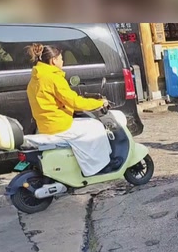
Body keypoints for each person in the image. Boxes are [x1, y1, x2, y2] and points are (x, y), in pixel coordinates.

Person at [22, 43, 112, 176]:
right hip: (60, 125)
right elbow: (74, 102)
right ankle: (99, 167)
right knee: (96, 127)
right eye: (61, 58)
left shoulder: (34, 80)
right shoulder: (53, 78)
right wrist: (98, 103)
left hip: (45, 125)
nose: (63, 61)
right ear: (53, 61)